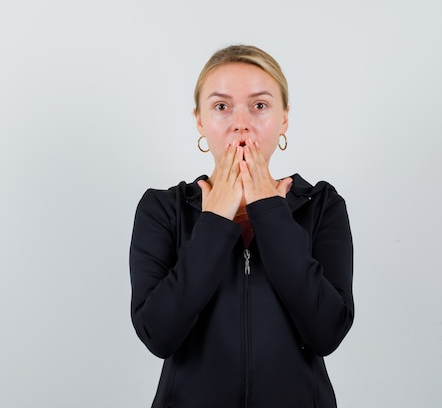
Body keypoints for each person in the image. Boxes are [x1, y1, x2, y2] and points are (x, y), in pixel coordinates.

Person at [129, 45, 354, 407]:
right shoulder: (163, 208)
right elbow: (159, 334)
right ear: (200, 121)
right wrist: (215, 221)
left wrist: (270, 212)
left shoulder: (322, 205)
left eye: (260, 105)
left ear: (284, 119)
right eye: (221, 106)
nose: (241, 123)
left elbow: (326, 332)